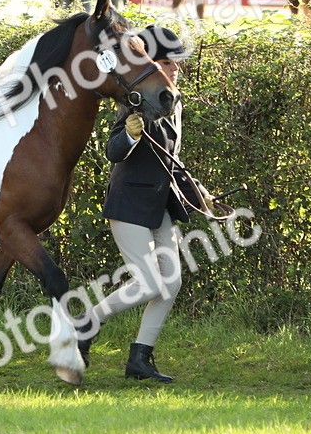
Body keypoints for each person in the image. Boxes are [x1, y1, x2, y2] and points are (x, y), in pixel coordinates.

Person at [77, 27, 213, 382]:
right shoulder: (134, 102)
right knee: (150, 284)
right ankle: (88, 320)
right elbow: (112, 151)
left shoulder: (174, 101)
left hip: (160, 206)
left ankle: (140, 359)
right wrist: (131, 134)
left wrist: (197, 190)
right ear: (151, 64)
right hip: (130, 205)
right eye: (168, 62)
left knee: (171, 284)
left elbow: (171, 160)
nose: (175, 69)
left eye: (176, 63)